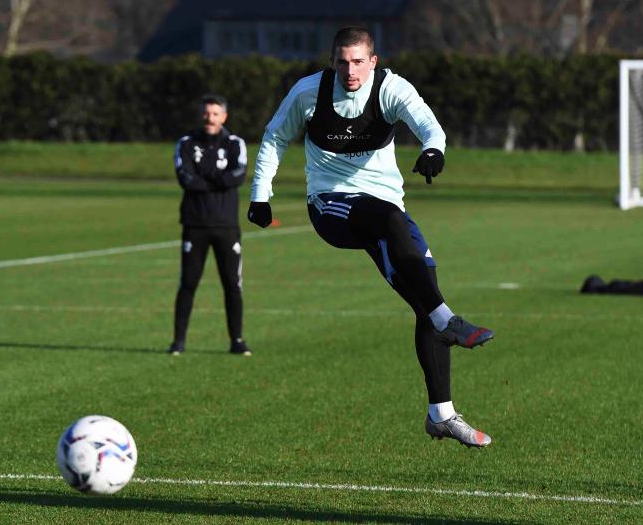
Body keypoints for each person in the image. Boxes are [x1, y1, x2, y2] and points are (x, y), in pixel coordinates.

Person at [246, 27, 495, 447]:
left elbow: (431, 128)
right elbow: (274, 136)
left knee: (424, 290)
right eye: (342, 62)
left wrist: (433, 152)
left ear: (373, 61)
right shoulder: (309, 93)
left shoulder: (392, 89)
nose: (350, 70)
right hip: (331, 204)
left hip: (386, 210)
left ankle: (442, 414)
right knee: (393, 230)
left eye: (358, 61)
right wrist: (260, 195)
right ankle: (447, 320)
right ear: (332, 62)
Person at [169, 94, 251, 356]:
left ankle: (237, 341)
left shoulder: (235, 143)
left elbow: (237, 176)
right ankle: (178, 342)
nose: (210, 118)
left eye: (215, 114)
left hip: (227, 226)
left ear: (224, 117)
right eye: (206, 113)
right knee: (188, 283)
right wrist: (216, 179)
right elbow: (186, 178)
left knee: (232, 283)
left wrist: (206, 176)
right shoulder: (186, 143)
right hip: (195, 224)